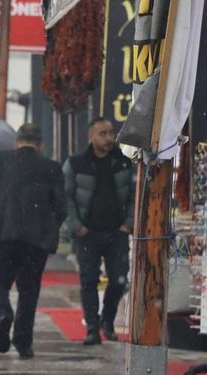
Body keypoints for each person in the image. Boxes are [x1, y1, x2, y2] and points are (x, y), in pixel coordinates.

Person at [0, 124, 67, 359]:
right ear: (41, 144)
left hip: (2, 234)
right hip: (35, 241)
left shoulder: (0, 161)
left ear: (16, 142)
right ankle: (23, 342)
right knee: (29, 290)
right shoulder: (52, 168)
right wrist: (47, 228)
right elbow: (62, 208)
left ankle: (3, 314)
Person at [62, 117, 135, 345]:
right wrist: (76, 226)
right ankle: (92, 327)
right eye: (103, 133)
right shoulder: (76, 163)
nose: (109, 138)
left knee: (119, 280)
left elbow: (134, 194)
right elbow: (66, 197)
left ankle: (108, 320)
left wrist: (128, 223)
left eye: (111, 133)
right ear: (91, 137)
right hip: (88, 233)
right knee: (89, 280)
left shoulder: (123, 162)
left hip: (117, 232)